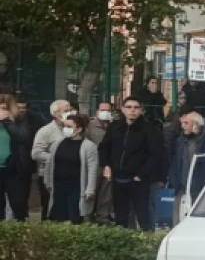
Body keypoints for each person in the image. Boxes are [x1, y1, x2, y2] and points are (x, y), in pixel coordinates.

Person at [99, 96, 164, 231]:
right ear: (123, 110)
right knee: (121, 217)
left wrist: (141, 174)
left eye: (136, 108)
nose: (132, 111)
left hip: (138, 180)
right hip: (118, 178)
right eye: (129, 107)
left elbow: (156, 154)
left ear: (141, 110)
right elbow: (104, 147)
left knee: (143, 216)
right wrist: (106, 166)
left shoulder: (149, 130)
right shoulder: (115, 127)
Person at [45, 114, 98, 225]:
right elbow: (50, 163)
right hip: (58, 185)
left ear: (79, 129)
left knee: (74, 216)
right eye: (64, 126)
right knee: (58, 217)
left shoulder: (88, 146)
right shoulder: (57, 143)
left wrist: (90, 189)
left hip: (76, 187)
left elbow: (93, 168)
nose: (65, 129)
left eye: (69, 127)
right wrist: (47, 181)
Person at [31, 99, 72, 214]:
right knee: (49, 206)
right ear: (55, 114)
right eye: (66, 111)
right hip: (48, 174)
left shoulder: (72, 129)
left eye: (70, 110)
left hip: (69, 174)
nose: (69, 113)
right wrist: (56, 158)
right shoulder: (46, 131)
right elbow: (36, 153)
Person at [0, 94, 33, 221]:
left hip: (13, 168)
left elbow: (23, 137)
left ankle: (22, 232)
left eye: (3, 107)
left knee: (18, 203)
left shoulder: (19, 121)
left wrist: (7, 121)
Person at [86, 102, 115, 224]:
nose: (105, 112)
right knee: (93, 188)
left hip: (109, 163)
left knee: (106, 191)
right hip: (93, 163)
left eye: (108, 110)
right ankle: (88, 215)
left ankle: (102, 216)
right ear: (97, 111)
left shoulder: (114, 125)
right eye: (103, 109)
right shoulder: (90, 125)